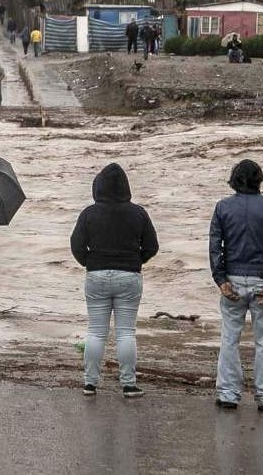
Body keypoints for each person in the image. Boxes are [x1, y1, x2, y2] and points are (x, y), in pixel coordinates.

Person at [70, 163, 159, 398]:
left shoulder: (89, 213)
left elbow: (76, 245)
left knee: (96, 332)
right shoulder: (138, 213)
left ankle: (90, 383)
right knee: (126, 333)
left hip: (96, 275)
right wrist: (136, 260)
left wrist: (90, 262)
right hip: (129, 276)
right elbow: (152, 246)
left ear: (98, 187)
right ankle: (129, 384)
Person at [210, 160, 263, 412]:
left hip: (232, 279)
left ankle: (228, 394)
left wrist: (221, 280)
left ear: (233, 180)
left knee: (229, 338)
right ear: (259, 180)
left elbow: (215, 247)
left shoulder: (222, 207)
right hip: (262, 281)